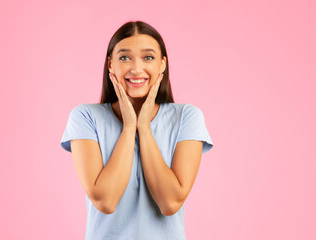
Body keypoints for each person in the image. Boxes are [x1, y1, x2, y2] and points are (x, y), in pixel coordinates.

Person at [60, 20, 214, 240]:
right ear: (110, 64)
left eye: (148, 57)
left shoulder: (187, 117)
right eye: (124, 57)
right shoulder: (85, 117)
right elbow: (105, 201)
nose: (136, 68)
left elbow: (170, 203)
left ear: (162, 64)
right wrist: (129, 127)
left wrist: (144, 127)